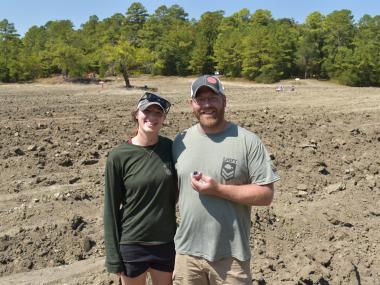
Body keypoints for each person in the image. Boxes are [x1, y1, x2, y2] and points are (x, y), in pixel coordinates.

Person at [172, 75, 280, 284]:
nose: (206, 105)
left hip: (231, 259)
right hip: (187, 256)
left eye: (212, 98)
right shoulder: (180, 141)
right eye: (200, 99)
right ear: (191, 104)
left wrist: (218, 190)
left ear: (224, 100)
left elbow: (266, 194)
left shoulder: (247, 141)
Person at [103, 92, 177, 285]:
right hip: (132, 244)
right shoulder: (119, 156)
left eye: (158, 113)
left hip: (165, 243)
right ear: (136, 114)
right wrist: (113, 256)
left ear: (164, 118)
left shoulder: (171, 148)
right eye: (147, 111)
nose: (152, 117)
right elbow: (110, 208)